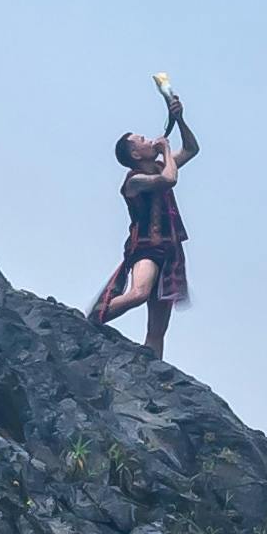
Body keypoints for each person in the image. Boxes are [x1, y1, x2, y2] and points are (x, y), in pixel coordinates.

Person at [91, 78, 200, 359]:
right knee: (139, 292)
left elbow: (191, 149)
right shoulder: (135, 181)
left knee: (157, 329)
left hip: (170, 250)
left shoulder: (161, 165)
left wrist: (180, 119)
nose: (147, 139)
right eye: (141, 140)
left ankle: (154, 370)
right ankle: (92, 319)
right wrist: (166, 149)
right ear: (135, 154)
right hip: (147, 249)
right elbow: (169, 180)